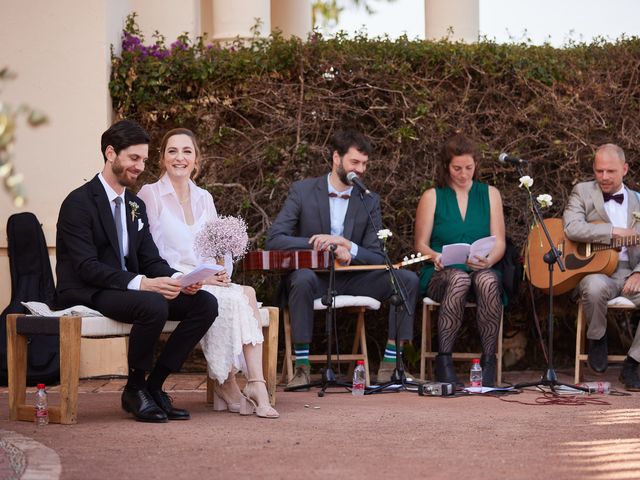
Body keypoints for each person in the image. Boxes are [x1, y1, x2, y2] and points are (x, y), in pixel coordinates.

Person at [52, 120, 218, 423]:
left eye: (143, 159)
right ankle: (134, 387)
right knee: (152, 303)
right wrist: (142, 283)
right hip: (88, 291)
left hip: (125, 290)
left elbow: (150, 258)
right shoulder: (78, 203)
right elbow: (86, 267)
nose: (141, 166)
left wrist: (179, 282)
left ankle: (153, 386)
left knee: (205, 303)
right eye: (134, 158)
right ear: (111, 153)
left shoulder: (134, 205)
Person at [138, 128, 278, 418]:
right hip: (174, 280)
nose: (180, 157)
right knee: (231, 299)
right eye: (172, 151)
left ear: (196, 159)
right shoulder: (150, 194)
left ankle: (254, 383)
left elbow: (218, 249)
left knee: (245, 292)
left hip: (206, 277)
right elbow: (149, 254)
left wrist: (221, 272)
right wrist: (198, 278)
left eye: (187, 151)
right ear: (162, 159)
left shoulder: (204, 198)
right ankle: (228, 384)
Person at [265, 129, 420, 388]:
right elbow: (275, 239)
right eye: (354, 162)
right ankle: (301, 367)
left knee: (406, 280)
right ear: (336, 158)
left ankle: (391, 366)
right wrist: (321, 243)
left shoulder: (369, 200)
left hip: (354, 277)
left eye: (364, 164)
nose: (360, 169)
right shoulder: (302, 191)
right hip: (315, 278)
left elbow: (376, 253)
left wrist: (348, 245)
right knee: (301, 279)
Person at [414, 134, 505, 387]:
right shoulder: (433, 196)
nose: (464, 174)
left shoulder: (490, 194)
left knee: (487, 280)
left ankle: (488, 364)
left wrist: (489, 261)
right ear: (446, 167)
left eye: (469, 168)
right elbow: (420, 243)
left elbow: (499, 242)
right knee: (459, 279)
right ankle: (444, 363)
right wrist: (436, 256)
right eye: (457, 168)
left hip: (479, 267)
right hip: (442, 272)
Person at [563, 143, 640, 391]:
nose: (604, 177)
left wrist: (639, 272)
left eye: (610, 171)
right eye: (599, 171)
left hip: (632, 270)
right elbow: (571, 227)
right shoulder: (582, 192)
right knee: (594, 287)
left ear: (625, 169)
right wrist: (612, 231)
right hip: (599, 271)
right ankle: (597, 338)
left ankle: (634, 362)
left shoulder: (639, 201)